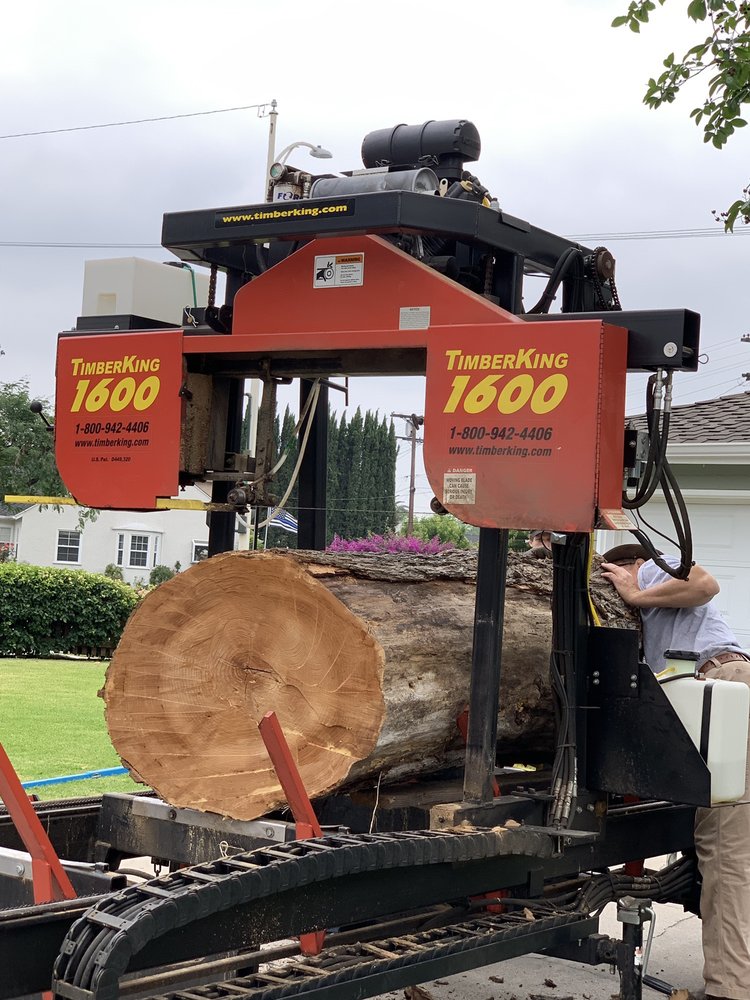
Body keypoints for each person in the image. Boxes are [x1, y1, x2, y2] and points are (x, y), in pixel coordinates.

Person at [601, 542, 750, 1000]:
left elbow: (704, 584)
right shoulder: (661, 618)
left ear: (629, 565)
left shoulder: (648, 569)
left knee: (726, 849)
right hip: (726, 691)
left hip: (721, 690)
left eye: (610, 573)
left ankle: (730, 989)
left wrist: (634, 592)